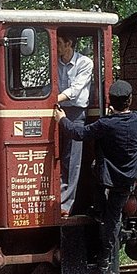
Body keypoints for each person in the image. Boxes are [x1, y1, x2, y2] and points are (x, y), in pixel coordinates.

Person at [54, 79, 137, 267]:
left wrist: (62, 119)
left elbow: (79, 133)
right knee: (114, 214)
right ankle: (104, 253)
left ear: (110, 102)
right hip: (128, 177)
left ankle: (104, 256)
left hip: (109, 177)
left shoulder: (106, 124)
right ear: (130, 100)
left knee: (110, 216)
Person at [55, 32, 93, 215]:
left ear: (69, 43)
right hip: (58, 111)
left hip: (76, 114)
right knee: (58, 156)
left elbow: (76, 90)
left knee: (72, 160)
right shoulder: (55, 63)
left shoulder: (85, 63)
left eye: (59, 42)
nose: (55, 46)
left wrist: (52, 99)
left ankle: (65, 205)